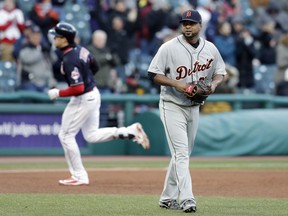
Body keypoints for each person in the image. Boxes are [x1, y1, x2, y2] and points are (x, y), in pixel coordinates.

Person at [47, 22, 150, 186]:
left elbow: (78, 87)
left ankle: (79, 176)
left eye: (57, 36)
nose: (54, 38)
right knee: (91, 135)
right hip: (93, 93)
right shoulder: (82, 49)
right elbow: (95, 66)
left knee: (66, 135)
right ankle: (130, 131)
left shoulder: (69, 59)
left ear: (65, 39)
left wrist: (58, 93)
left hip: (84, 96)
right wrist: (85, 77)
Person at [147, 9, 226, 213]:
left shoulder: (211, 48)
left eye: (191, 23)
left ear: (200, 26)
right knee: (181, 153)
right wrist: (178, 84)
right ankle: (187, 199)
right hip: (171, 104)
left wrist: (214, 86)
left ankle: (166, 198)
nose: (187, 26)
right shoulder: (169, 47)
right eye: (184, 23)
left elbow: (220, 73)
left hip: (194, 108)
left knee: (183, 155)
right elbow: (153, 73)